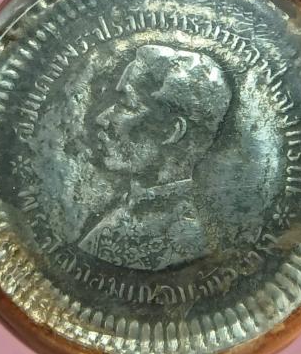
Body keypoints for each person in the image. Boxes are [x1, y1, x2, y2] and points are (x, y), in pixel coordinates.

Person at [78, 44, 231, 271]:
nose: (102, 118)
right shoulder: (126, 216)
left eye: (125, 105)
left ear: (171, 132)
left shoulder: (184, 241)